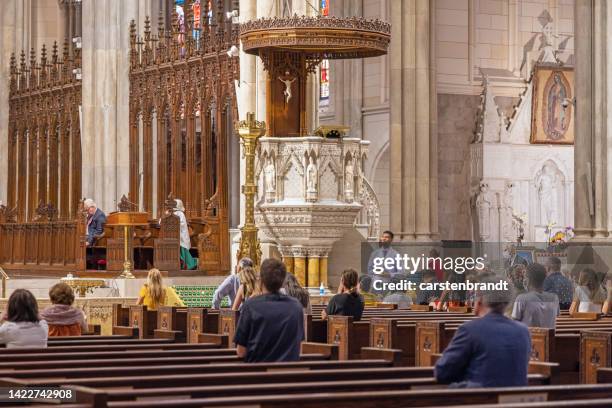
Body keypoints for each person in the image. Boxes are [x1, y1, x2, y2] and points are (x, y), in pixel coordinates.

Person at [435, 279, 530, 387]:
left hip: (481, 399)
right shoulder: (523, 331)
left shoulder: (470, 330)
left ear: (480, 300)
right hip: (514, 400)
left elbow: (442, 372)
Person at [234, 258, 304, 362]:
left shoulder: (251, 306)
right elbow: (300, 345)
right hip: (288, 374)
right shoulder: (296, 306)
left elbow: (241, 351)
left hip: (258, 374)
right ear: (283, 280)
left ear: (261, 279)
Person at [511, 263, 559, 328]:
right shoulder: (555, 298)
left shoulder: (521, 299)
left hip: (529, 337)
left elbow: (514, 324)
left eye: (524, 277)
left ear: (527, 280)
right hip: (549, 337)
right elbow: (557, 317)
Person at [173, 199, 197, 270]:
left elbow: (182, 224)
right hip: (174, 235)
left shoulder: (180, 213)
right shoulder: (172, 213)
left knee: (183, 249)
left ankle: (190, 264)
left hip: (181, 235)